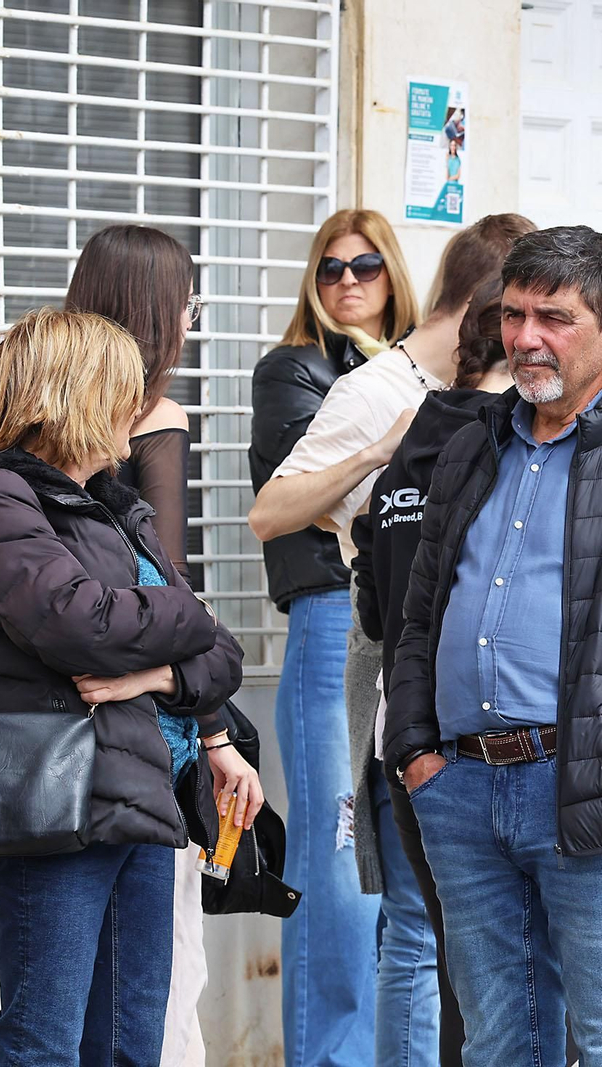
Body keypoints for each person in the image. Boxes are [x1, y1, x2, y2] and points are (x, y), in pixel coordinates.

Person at [251, 212, 531, 1066]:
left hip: (483, 687)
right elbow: (271, 511)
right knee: (375, 898)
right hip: (376, 650)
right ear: (489, 301)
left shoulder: (507, 396)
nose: (349, 281)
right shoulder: (372, 390)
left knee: (460, 923)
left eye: (368, 264)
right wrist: (383, 450)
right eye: (524, 309)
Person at [0, 307, 245, 1066]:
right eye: (124, 392)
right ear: (76, 394)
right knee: (42, 1041)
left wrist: (160, 669)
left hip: (141, 801)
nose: (136, 413)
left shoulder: (117, 509)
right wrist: (190, 615)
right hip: (56, 801)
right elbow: (81, 623)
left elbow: (223, 658)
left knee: (130, 1043)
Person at [386, 225, 602, 1066]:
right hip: (461, 788)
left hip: (578, 789)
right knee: (500, 1044)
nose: (526, 338)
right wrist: (416, 750)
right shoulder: (474, 441)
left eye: (555, 317)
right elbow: (418, 614)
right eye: (514, 315)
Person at [66, 224, 264, 1067]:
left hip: (53, 750)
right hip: (150, 737)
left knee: (66, 997)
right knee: (159, 988)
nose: (190, 319)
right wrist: (215, 733)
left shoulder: (44, 417)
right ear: (155, 312)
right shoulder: (152, 417)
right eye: (187, 302)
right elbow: (169, 591)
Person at [247, 207, 419, 1067]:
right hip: (331, 617)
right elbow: (308, 503)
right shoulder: (296, 369)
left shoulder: (420, 364)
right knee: (339, 861)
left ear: (395, 275)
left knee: (400, 869)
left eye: (366, 265)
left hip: (408, 632)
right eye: (330, 267)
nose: (348, 281)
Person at [352, 277, 512, 1066]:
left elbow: (375, 611)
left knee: (434, 954)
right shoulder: (509, 454)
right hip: (487, 747)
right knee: (505, 982)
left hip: (409, 738)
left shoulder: (403, 461)